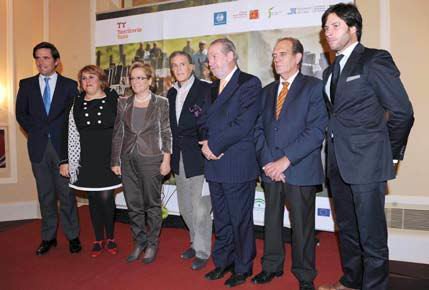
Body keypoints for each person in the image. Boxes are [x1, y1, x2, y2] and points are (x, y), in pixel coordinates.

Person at [318, 3, 414, 290]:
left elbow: (402, 112)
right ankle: (351, 282)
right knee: (347, 230)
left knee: (371, 236)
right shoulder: (330, 71)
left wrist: (390, 154)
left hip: (367, 163)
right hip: (338, 164)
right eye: (326, 27)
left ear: (353, 27)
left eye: (335, 26)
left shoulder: (374, 60)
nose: (328, 32)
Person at [252, 37, 328, 290]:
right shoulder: (265, 92)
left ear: (298, 58)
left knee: (303, 226)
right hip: (270, 170)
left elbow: (317, 131)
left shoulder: (314, 87)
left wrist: (285, 161)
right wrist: (268, 164)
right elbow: (258, 131)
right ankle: (271, 266)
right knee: (271, 221)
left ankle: (305, 275)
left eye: (282, 53)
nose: (276, 58)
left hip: (299, 168)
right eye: (274, 54)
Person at [199, 38, 261, 288]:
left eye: (214, 56)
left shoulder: (249, 83)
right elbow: (203, 121)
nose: (210, 62)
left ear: (230, 56)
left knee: (240, 220)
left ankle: (243, 267)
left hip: (236, 162)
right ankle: (223, 262)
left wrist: (215, 146)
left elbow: (244, 124)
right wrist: (205, 143)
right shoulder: (210, 88)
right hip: (214, 163)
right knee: (222, 219)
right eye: (209, 58)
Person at [15, 42, 81, 256]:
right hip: (38, 147)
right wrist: (37, 131)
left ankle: (73, 236)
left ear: (56, 61)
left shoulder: (70, 86)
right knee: (45, 195)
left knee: (67, 195)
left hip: (63, 149)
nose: (41, 62)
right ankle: (48, 237)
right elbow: (21, 115)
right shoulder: (25, 85)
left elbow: (74, 118)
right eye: (37, 58)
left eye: (45, 58)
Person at [111, 62, 172, 264]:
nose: (136, 82)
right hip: (128, 159)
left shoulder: (161, 102)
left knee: (152, 204)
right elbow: (118, 133)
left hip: (152, 159)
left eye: (140, 78)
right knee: (133, 204)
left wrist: (166, 159)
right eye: (133, 78)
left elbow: (166, 132)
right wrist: (115, 160)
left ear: (149, 81)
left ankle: (152, 243)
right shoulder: (123, 102)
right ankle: (139, 241)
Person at [60, 65, 122, 258]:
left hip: (109, 156)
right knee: (93, 198)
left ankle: (110, 236)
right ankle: (97, 238)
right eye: (84, 78)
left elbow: (123, 130)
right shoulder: (75, 103)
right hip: (85, 157)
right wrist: (65, 160)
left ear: (101, 80)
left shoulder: (113, 99)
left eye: (91, 77)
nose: (87, 82)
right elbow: (66, 133)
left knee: (105, 197)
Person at [167, 51, 212, 271]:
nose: (179, 69)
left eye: (182, 64)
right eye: (174, 66)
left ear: (191, 66)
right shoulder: (171, 93)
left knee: (201, 207)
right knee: (185, 206)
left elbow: (209, 123)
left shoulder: (205, 89)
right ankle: (194, 243)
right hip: (179, 157)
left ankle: (203, 251)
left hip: (200, 157)